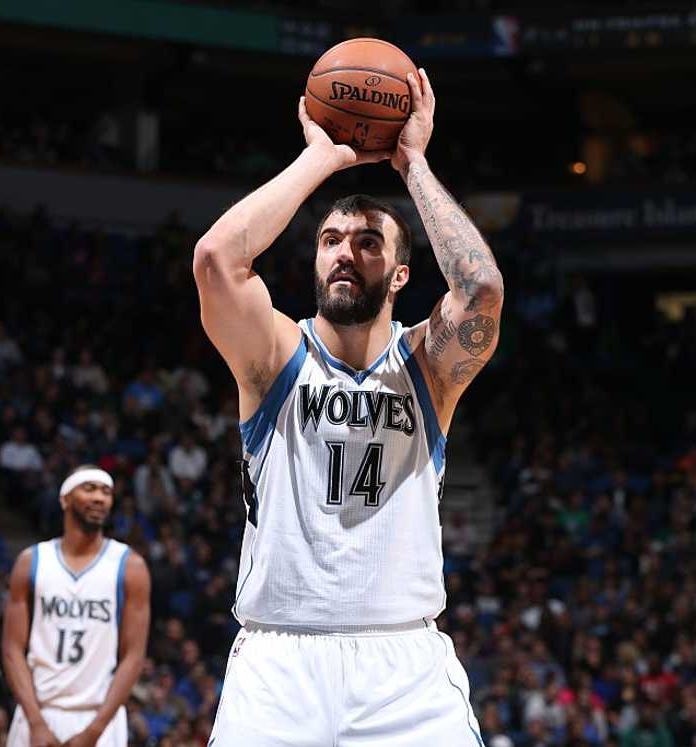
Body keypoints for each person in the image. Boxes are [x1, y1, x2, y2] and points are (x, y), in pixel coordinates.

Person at [193, 67, 504, 745]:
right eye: (331, 239)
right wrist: (320, 159)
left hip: (404, 664)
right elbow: (217, 259)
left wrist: (413, 163)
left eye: (368, 243)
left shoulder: (427, 364)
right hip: (279, 660)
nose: (345, 252)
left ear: (398, 275)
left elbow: (480, 286)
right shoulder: (275, 353)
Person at [2, 465, 150, 747]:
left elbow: (134, 655)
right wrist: (36, 722)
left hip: (98, 717)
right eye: (89, 488)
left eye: (106, 492)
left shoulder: (130, 566)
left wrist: (94, 731)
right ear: (64, 499)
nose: (99, 498)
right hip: (38, 712)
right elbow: (11, 649)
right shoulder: (31, 562)